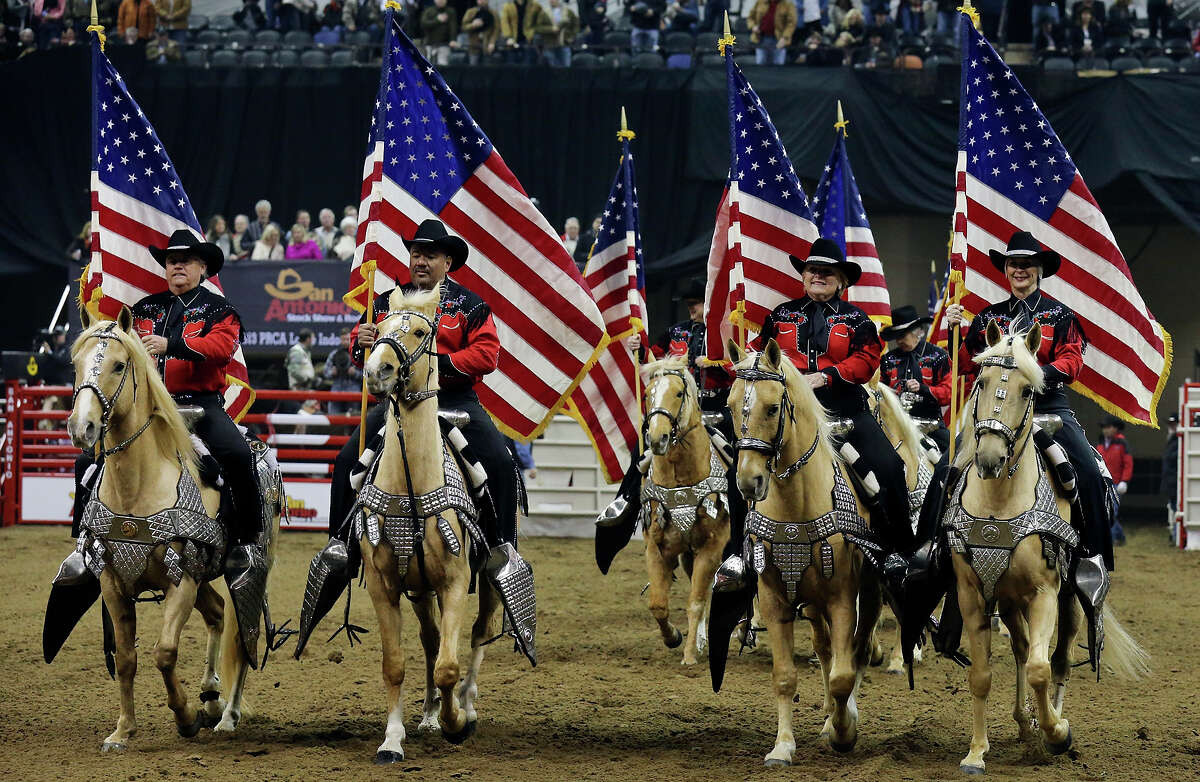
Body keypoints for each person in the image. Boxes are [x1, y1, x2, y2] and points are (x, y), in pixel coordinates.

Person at [312, 218, 517, 594]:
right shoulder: (386, 301)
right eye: (416, 254)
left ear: (448, 262)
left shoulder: (469, 304)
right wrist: (363, 341)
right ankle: (340, 548)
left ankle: (502, 551)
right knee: (345, 461)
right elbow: (362, 351)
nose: (421, 261)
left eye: (431, 255)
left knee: (502, 464)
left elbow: (487, 354)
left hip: (455, 400)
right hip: (400, 403)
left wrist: (439, 365)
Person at [69, 231, 264, 589]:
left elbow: (221, 348)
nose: (177, 264)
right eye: (171, 259)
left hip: (199, 408)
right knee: (87, 461)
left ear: (202, 267)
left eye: (186, 259)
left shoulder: (220, 310)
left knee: (236, 454)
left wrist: (170, 343)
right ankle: (85, 546)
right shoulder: (143, 309)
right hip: (149, 410)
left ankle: (245, 543)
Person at [939, 230, 1113, 570]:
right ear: (1005, 270)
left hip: (1048, 408)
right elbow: (963, 363)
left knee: (1089, 474)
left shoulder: (1060, 316)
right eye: (1014, 264)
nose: (1021, 270)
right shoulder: (989, 318)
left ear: (1040, 271)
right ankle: (933, 553)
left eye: (1028, 265)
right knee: (946, 473)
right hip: (995, 413)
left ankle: (1093, 559)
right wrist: (953, 329)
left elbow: (1072, 362)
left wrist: (1031, 374)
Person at [748, 238, 914, 559]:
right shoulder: (781, 315)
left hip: (846, 419)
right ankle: (737, 556)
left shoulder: (857, 319)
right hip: (789, 421)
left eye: (827, 272)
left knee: (891, 467)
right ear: (803, 275)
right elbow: (759, 352)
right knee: (739, 467)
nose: (818, 276)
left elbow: (867, 359)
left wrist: (826, 376)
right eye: (812, 270)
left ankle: (901, 554)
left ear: (843, 281)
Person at [879, 304, 951, 454]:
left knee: (953, 455)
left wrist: (923, 389)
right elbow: (878, 391)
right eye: (896, 337)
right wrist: (888, 393)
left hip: (931, 426)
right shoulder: (887, 360)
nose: (898, 342)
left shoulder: (938, 356)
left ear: (917, 332)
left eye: (902, 336)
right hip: (896, 426)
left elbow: (948, 393)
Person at [1097, 415, 1131, 546]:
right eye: (1104, 427)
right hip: (1103, 483)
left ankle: (1109, 541)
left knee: (1111, 512)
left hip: (1116, 484)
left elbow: (1128, 464)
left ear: (1116, 429)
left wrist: (1125, 481)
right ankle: (1120, 537)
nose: (1105, 430)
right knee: (1108, 512)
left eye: (1108, 427)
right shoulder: (1100, 443)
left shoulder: (1122, 443)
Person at [322, 326, 362, 418]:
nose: (345, 342)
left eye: (347, 339)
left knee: (353, 420)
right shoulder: (334, 354)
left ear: (352, 339)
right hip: (337, 391)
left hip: (353, 392)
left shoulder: (358, 354)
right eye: (343, 339)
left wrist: (355, 373)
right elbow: (325, 372)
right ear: (340, 340)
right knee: (333, 418)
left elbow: (366, 375)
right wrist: (332, 372)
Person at [749, 0, 797, 65]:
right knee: (760, 64)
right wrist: (753, 26)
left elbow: (791, 23)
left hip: (779, 39)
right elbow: (751, 17)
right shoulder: (760, 2)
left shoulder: (788, 4)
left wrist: (785, 37)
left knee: (778, 66)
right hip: (761, 38)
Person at [420, 0, 458, 65]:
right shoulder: (429, 10)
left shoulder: (450, 11)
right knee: (428, 66)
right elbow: (423, 24)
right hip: (429, 43)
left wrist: (453, 39)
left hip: (444, 44)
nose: (441, 1)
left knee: (443, 65)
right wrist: (437, 20)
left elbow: (453, 27)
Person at [462, 0, 499, 64]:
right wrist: (473, 25)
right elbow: (464, 27)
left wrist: (492, 42)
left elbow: (496, 29)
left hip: (487, 46)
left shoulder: (493, 13)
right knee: (473, 68)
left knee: (487, 68)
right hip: (473, 46)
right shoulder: (471, 12)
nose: (481, 1)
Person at [544, 0, 577, 66]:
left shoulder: (568, 11)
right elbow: (539, 27)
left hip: (564, 43)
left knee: (566, 65)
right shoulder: (544, 12)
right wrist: (550, 29)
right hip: (550, 43)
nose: (552, 1)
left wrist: (571, 37)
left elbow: (575, 25)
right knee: (552, 66)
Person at [1160, 414, 1178, 513]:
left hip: (1175, 483)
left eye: (1174, 424)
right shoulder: (1172, 440)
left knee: (1176, 509)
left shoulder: (1179, 440)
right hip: (1171, 483)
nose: (1171, 427)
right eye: (1170, 424)